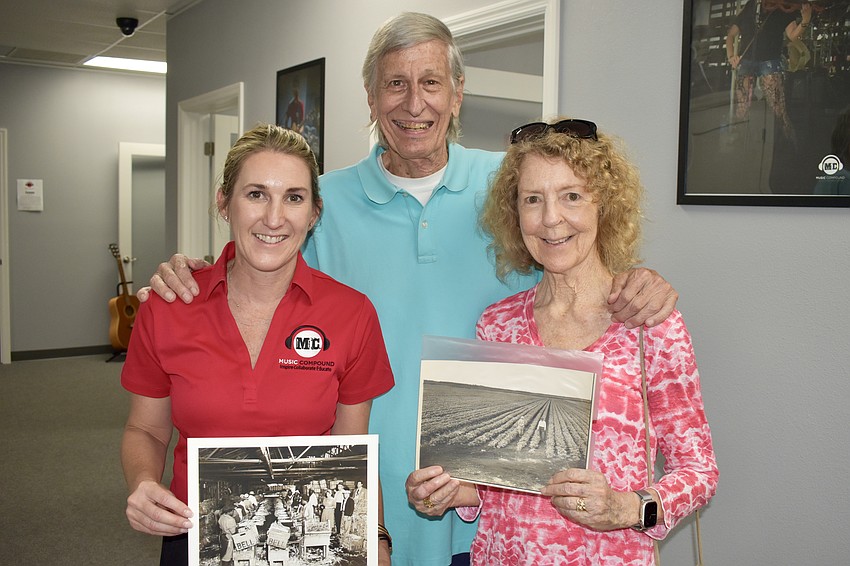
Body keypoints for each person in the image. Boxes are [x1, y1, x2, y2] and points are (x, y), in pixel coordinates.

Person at [142, 13, 679, 566]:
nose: (414, 103)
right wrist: (188, 274)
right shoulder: (321, 201)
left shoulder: (513, 186)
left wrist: (637, 280)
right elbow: (261, 269)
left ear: (458, 93)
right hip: (356, 505)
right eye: (395, 83)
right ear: (371, 97)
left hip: (491, 512)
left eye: (431, 82)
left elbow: (572, 256)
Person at [405, 118, 719, 565]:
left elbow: (699, 471)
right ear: (515, 214)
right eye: (533, 199)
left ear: (603, 205)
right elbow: (501, 477)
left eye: (571, 196)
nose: (551, 219)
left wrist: (625, 508)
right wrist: (452, 490)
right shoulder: (498, 325)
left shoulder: (649, 325)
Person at [119, 123, 394, 566]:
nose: (274, 217)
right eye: (256, 194)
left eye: (294, 197)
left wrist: (376, 538)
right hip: (195, 539)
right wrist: (143, 483)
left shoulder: (352, 314)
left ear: (314, 213)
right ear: (223, 202)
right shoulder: (169, 307)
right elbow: (145, 430)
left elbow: (354, 449)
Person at [725, 1, 812, 140]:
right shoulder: (750, 6)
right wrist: (731, 56)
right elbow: (730, 35)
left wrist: (805, 21)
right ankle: (743, 142)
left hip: (769, 61)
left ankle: (787, 142)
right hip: (749, 61)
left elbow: (792, 35)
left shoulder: (781, 7)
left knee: (778, 110)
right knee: (742, 109)